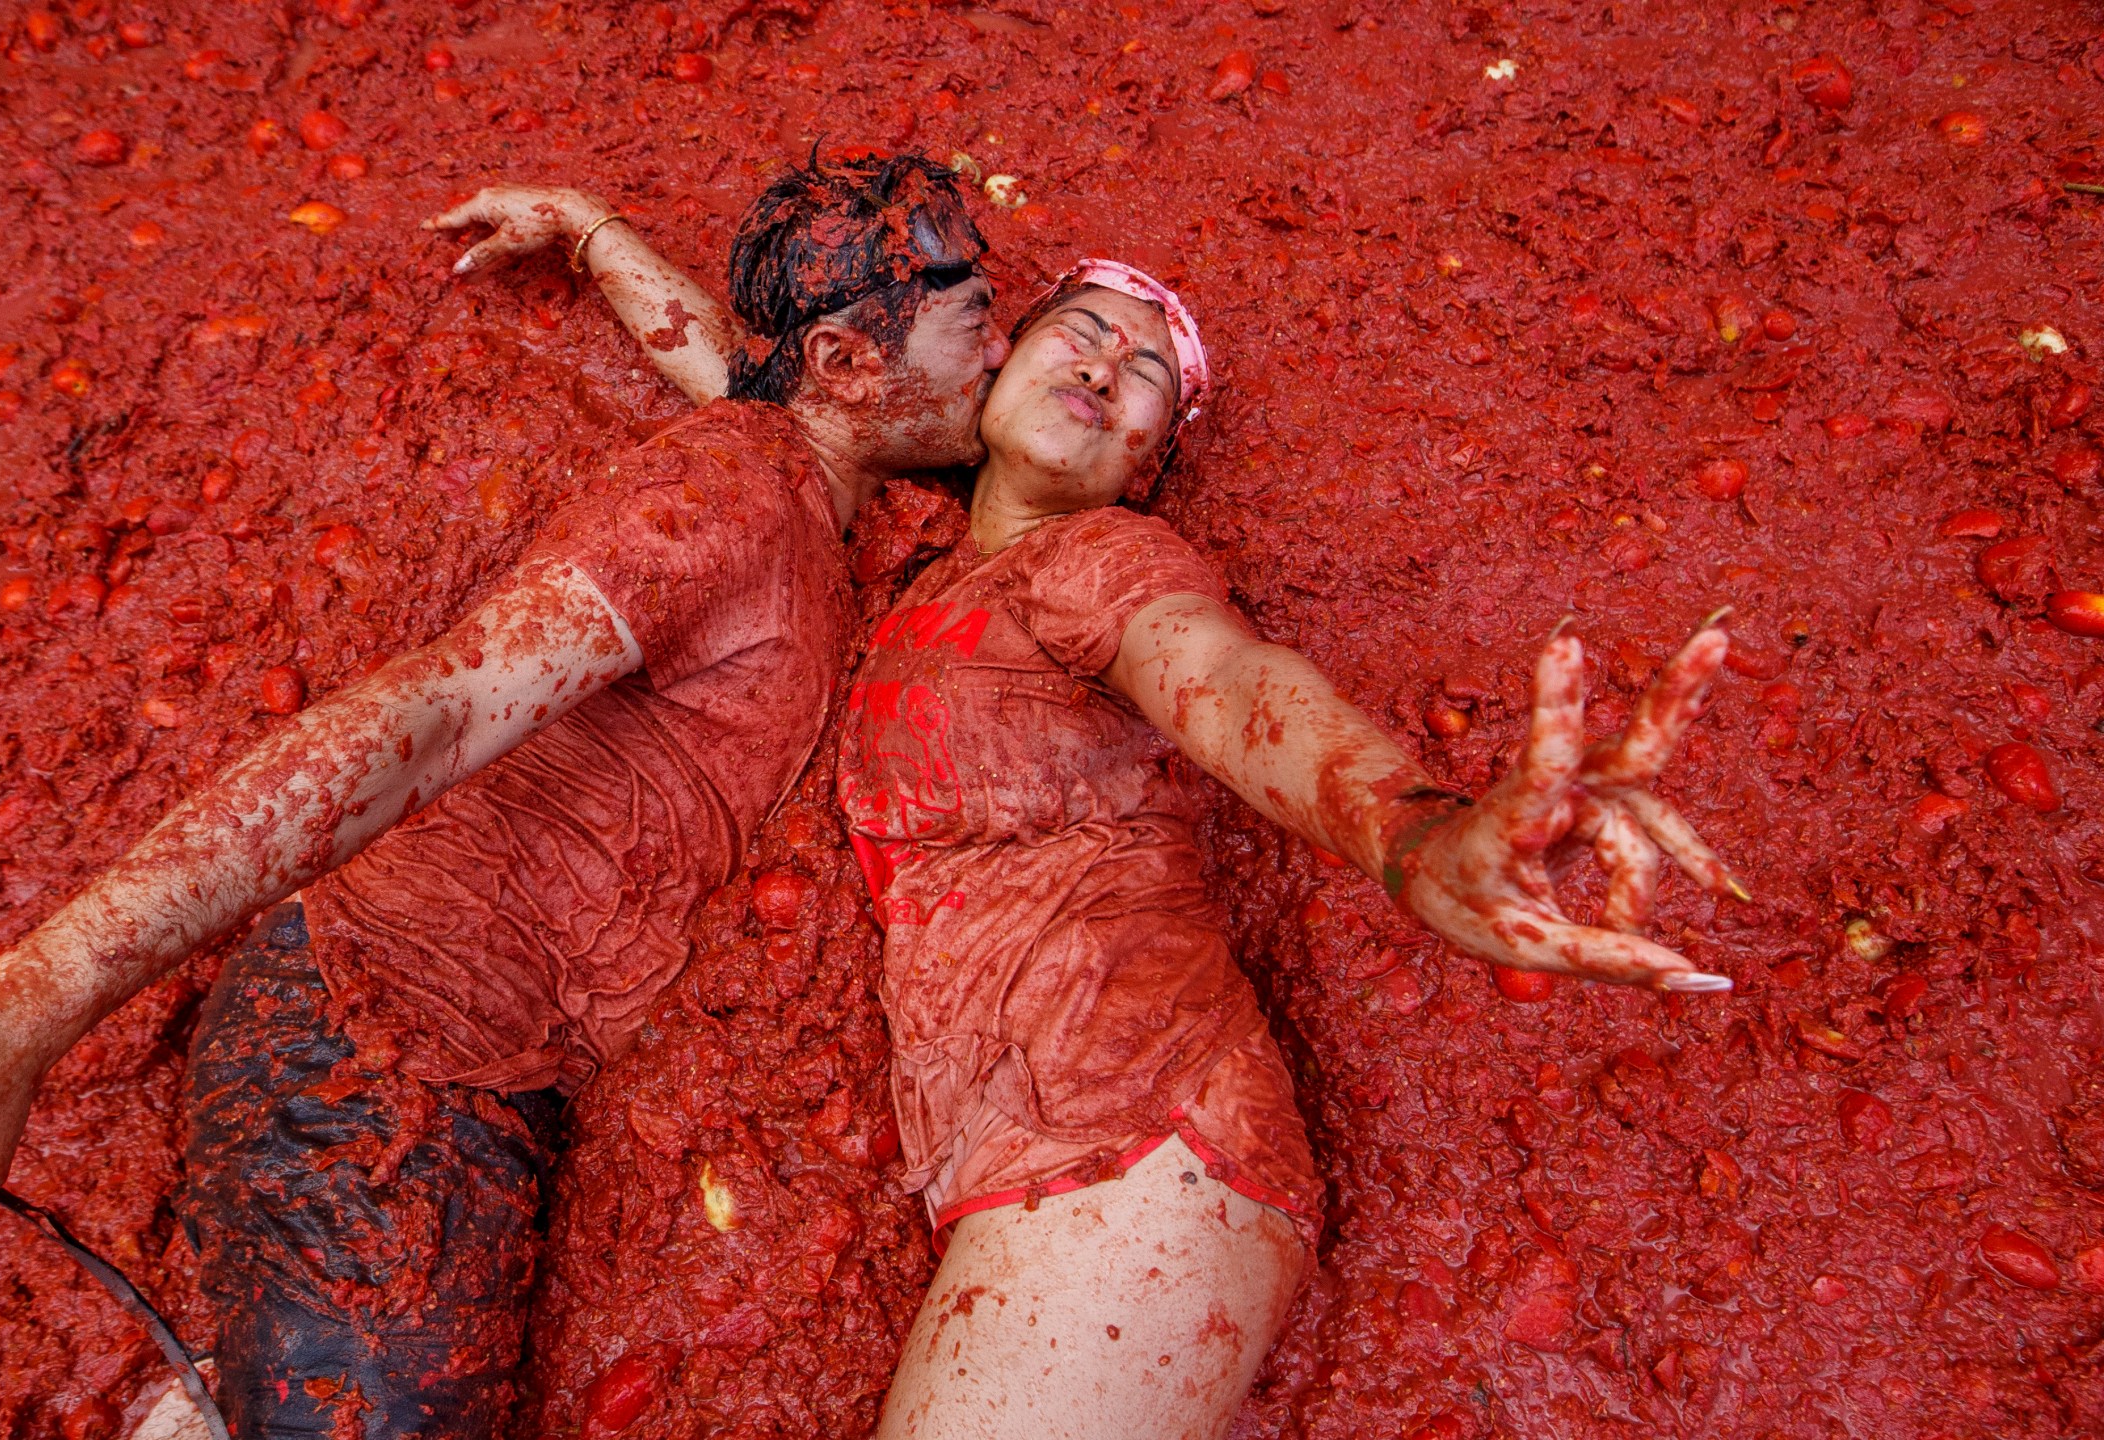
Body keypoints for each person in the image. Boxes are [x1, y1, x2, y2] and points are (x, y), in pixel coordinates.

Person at [0, 153, 1010, 1440]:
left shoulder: (808, 471)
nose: (1002, 349)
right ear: (851, 364)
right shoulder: (731, 497)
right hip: (370, 1045)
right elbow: (431, 712)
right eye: (977, 318)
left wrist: (595, 232)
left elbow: (726, 356)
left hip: (482, 1052)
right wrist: (13, 1011)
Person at [570, 240, 1742, 1435]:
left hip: (1141, 1137)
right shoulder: (907, 556)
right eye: (1079, 331)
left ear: (1145, 469)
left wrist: (1415, 837)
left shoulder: (1102, 559)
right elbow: (767, 385)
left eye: (1145, 377)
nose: (1104, 364)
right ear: (994, 371)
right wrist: (588, 232)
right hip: (1019, 1143)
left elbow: (1225, 682)